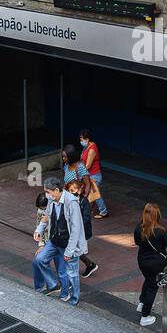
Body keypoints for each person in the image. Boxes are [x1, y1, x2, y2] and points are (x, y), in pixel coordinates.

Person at [31, 176, 85, 305]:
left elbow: (76, 229)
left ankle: (73, 298)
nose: (46, 195)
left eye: (48, 192)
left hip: (68, 244)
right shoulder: (52, 200)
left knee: (71, 273)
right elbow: (46, 217)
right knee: (39, 260)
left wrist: (69, 251)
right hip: (54, 241)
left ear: (56, 190)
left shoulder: (71, 202)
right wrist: (39, 229)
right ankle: (54, 285)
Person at [132, 202, 167, 327]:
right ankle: (145, 316)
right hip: (156, 263)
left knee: (148, 279)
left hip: (142, 261)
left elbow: (137, 242)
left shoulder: (138, 228)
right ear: (157, 215)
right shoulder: (161, 231)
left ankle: (142, 303)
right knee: (153, 287)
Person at [61, 144, 100, 278]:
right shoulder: (66, 166)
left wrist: (81, 199)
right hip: (68, 202)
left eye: (65, 156)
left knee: (73, 239)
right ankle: (89, 264)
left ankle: (89, 264)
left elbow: (87, 183)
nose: (63, 158)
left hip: (77, 203)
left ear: (71, 156)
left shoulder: (80, 167)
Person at [32, 191, 61, 295]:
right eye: (40, 208)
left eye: (44, 208)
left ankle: (63, 288)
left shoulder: (59, 207)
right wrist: (41, 245)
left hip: (59, 240)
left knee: (61, 266)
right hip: (49, 241)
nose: (41, 211)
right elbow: (40, 226)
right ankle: (42, 287)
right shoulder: (41, 211)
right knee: (37, 261)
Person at [79, 129, 109, 219]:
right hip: (88, 175)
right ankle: (89, 208)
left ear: (87, 139)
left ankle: (104, 212)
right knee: (90, 193)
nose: (80, 141)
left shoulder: (92, 148)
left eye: (81, 139)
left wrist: (79, 172)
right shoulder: (86, 147)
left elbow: (88, 165)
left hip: (94, 176)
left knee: (95, 194)